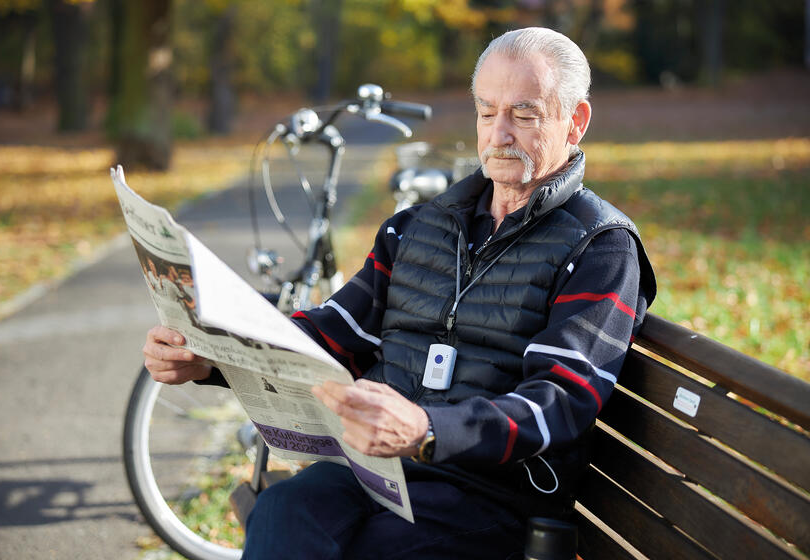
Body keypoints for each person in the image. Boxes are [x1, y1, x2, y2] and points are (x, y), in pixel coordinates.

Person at [142, 27, 656, 559]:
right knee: (282, 509)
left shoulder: (600, 247)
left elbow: (559, 401)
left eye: (523, 114)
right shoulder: (417, 227)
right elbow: (332, 333)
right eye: (486, 112)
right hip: (378, 474)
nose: (498, 133)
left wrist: (429, 429)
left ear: (575, 121)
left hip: (492, 497)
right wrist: (210, 355)